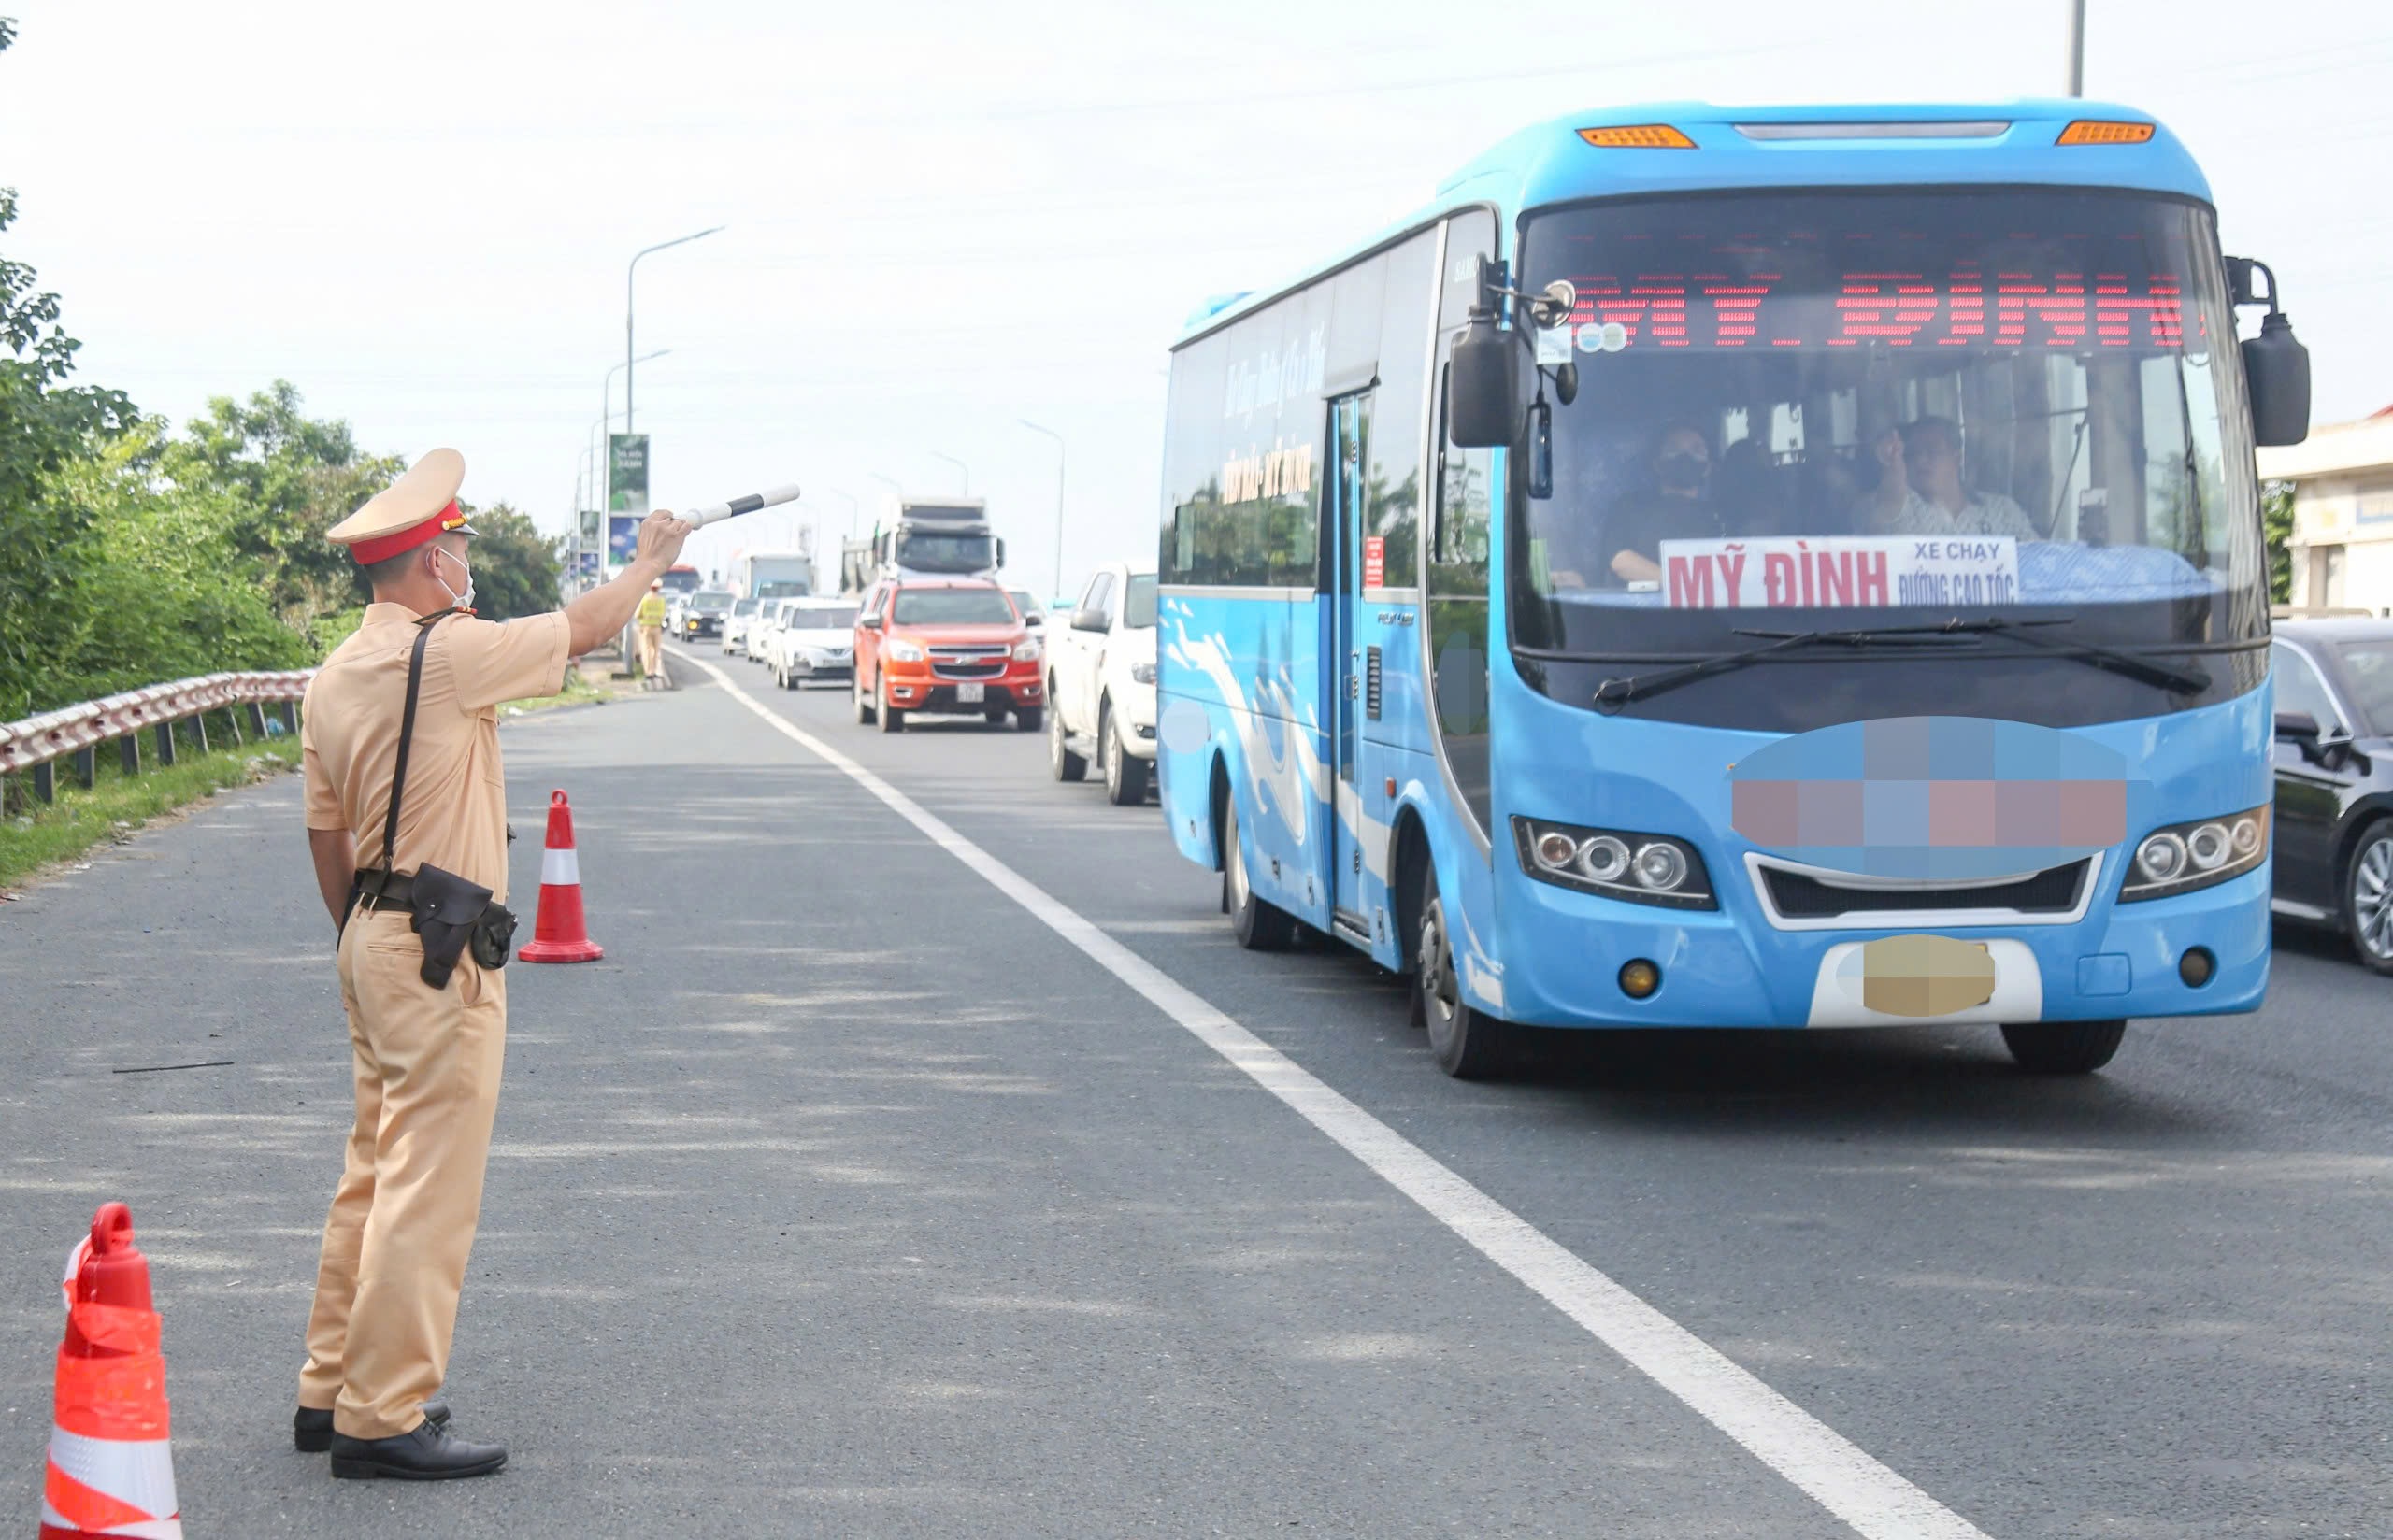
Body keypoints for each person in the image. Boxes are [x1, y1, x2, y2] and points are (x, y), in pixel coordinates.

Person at [295, 448, 692, 1480]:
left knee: (373, 1168)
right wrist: (650, 560)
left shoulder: (335, 674)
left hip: (368, 937)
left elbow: (325, 836)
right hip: (437, 948)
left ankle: (330, 1384)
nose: (467, 562)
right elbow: (592, 629)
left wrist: (362, 934)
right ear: (431, 563)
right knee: (428, 1184)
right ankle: (380, 1415)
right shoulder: (453, 652)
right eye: (461, 547)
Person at [1860, 416, 2039, 540]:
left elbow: (2035, 561)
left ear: (1957, 458)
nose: (1921, 460)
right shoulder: (1892, 507)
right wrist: (1892, 463)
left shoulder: (2003, 511)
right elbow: (1889, 503)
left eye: (1932, 451)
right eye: (1913, 454)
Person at [1588, 423, 1721, 588]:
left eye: (1697, 451)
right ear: (1657, 464)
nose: (1685, 457)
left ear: (1708, 467)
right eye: (1674, 449)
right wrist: (1682, 585)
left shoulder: (1719, 516)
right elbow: (1620, 560)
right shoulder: (1630, 506)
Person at [635, 578, 668, 682]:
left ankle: (649, 672)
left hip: (645, 628)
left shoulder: (645, 600)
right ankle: (656, 671)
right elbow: (663, 614)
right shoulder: (661, 600)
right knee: (656, 650)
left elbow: (637, 614)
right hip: (657, 628)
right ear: (659, 588)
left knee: (646, 649)